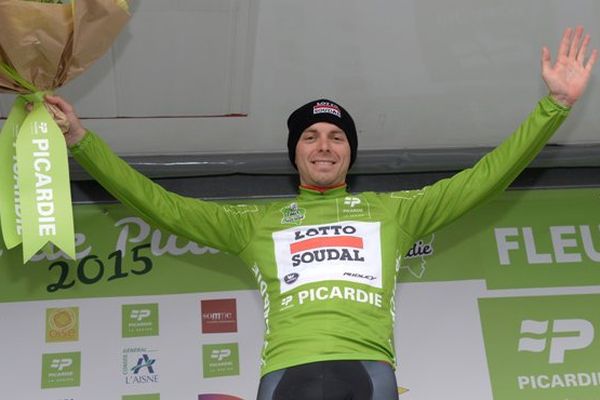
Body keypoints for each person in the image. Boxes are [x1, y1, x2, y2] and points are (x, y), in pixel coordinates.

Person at [46, 27, 596, 399]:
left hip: (368, 372)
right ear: (296, 153)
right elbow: (159, 204)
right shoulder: (254, 224)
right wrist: (81, 142)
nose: (324, 145)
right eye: (310, 136)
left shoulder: (393, 213)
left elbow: (486, 177)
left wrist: (554, 108)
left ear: (350, 152)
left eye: (336, 137)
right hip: (285, 375)